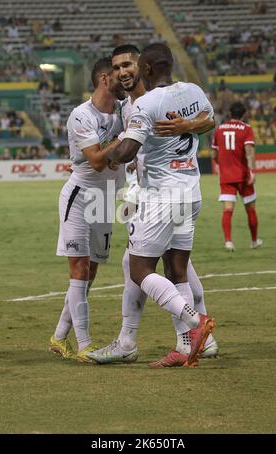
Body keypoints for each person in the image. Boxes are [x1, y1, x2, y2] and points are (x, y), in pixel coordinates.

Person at [88, 43, 216, 367]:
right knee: (178, 270)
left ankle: (192, 324)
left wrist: (108, 154)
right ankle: (190, 346)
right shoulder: (191, 90)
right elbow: (209, 119)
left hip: (160, 197)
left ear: (144, 68)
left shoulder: (146, 104)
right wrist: (187, 126)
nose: (123, 71)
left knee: (137, 267)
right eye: (116, 68)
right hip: (189, 191)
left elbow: (128, 149)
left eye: (129, 65)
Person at [49, 57, 125, 363]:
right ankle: (84, 344)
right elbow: (95, 160)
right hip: (79, 197)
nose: (126, 81)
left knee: (90, 273)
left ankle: (58, 336)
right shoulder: (81, 115)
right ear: (105, 79)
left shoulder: (123, 113)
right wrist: (123, 141)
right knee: (79, 269)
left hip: (105, 199)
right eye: (120, 76)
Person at [212, 101, 262, 251]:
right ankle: (254, 241)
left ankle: (228, 241)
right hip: (244, 175)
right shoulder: (246, 129)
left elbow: (214, 154)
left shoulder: (219, 129)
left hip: (226, 175)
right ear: (244, 114)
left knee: (228, 209)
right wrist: (252, 171)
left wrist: (222, 164)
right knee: (250, 209)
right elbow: (249, 150)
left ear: (229, 114)